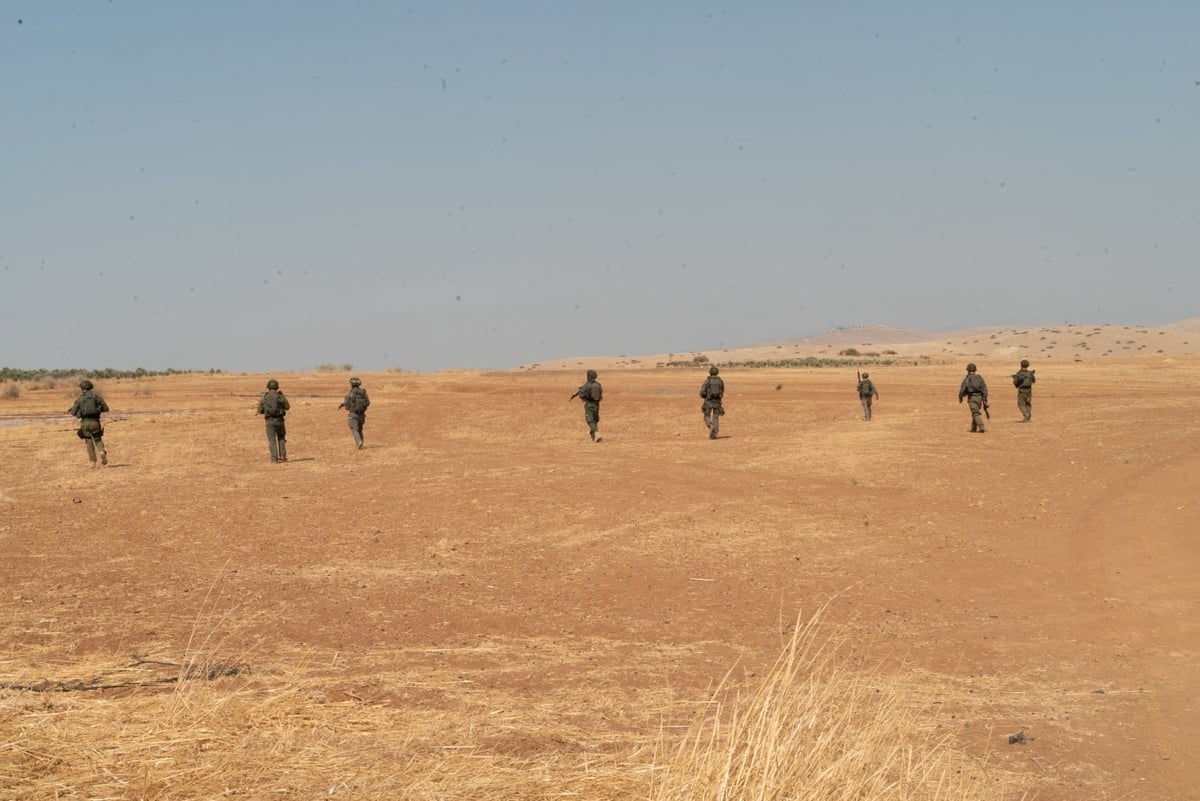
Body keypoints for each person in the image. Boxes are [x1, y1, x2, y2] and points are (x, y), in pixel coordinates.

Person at [68, 379, 109, 467]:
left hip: (85, 423)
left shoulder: (80, 399)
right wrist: (98, 409)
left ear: (82, 389)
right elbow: (106, 408)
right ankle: (101, 451)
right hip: (95, 422)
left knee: (89, 441)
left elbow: (73, 413)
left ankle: (92, 462)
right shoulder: (96, 397)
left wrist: (78, 411)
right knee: (97, 439)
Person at [256, 379, 290, 462]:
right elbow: (287, 407)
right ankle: (283, 457)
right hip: (279, 421)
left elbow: (259, 410)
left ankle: (274, 459)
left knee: (272, 440)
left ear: (268, 387)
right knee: (281, 438)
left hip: (269, 421)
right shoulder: (280, 396)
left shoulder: (265, 397)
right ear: (277, 387)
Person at [338, 376, 371, 449]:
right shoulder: (363, 393)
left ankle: (359, 442)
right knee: (360, 429)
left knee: (354, 429)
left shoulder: (350, 393)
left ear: (351, 384)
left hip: (353, 414)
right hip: (362, 415)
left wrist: (348, 407)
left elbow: (346, 405)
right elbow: (368, 403)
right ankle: (361, 442)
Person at [572, 369, 603, 442]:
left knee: (589, 420)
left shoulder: (587, 385)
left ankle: (596, 433)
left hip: (589, 404)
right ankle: (594, 435)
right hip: (597, 404)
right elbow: (600, 395)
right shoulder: (598, 385)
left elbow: (581, 395)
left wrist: (582, 393)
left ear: (588, 376)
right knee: (595, 419)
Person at [958, 363, 989, 433]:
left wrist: (960, 397)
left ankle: (981, 426)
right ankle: (973, 428)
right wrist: (984, 399)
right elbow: (984, 389)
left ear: (968, 370)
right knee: (975, 413)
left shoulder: (967, 379)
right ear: (975, 370)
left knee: (975, 413)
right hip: (980, 398)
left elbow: (962, 389)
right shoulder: (980, 378)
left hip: (972, 398)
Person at [699, 366, 724, 439]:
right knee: (716, 416)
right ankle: (715, 432)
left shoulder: (707, 381)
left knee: (706, 416)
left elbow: (702, 392)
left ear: (710, 372)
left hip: (708, 401)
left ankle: (710, 425)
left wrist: (704, 397)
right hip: (717, 401)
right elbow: (722, 391)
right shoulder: (720, 381)